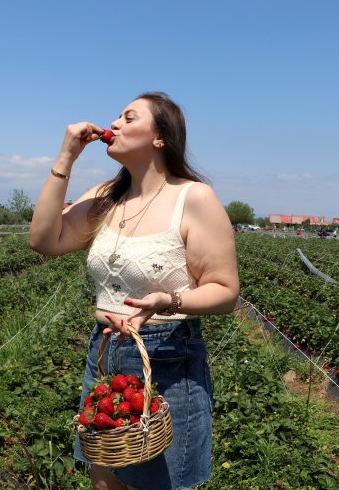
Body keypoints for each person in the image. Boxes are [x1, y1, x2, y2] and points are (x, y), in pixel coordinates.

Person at [29, 92, 239, 489]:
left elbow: (226, 292)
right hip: (105, 354)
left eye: (129, 117)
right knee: (104, 480)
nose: (116, 123)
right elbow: (43, 239)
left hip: (167, 358)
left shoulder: (193, 198)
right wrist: (65, 159)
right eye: (118, 118)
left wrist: (168, 300)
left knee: (160, 483)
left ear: (161, 137)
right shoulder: (106, 196)